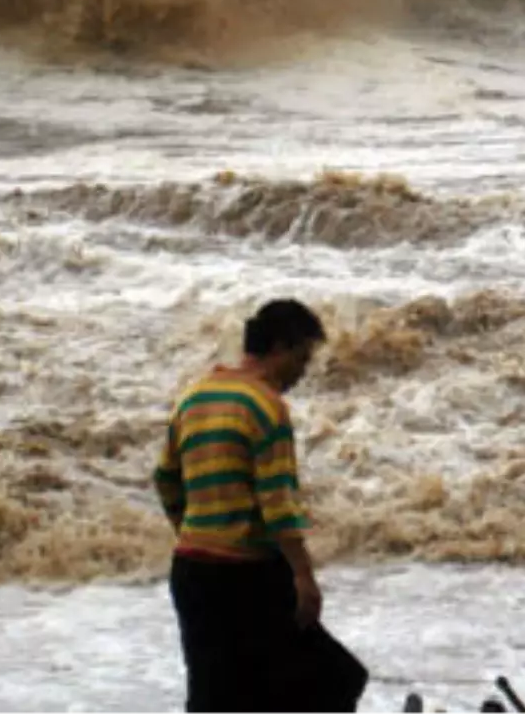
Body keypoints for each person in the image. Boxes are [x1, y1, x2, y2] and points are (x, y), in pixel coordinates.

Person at [154, 298, 368, 714]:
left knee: (216, 698)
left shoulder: (194, 398)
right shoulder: (266, 405)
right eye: (302, 359)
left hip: (192, 574)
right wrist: (303, 575)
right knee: (335, 679)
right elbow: (277, 502)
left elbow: (165, 480)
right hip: (246, 575)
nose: (302, 372)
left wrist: (193, 531)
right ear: (280, 348)